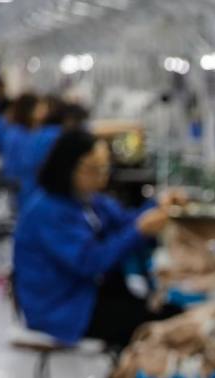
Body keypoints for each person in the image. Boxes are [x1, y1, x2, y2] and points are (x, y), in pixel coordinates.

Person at [12, 130, 183, 348]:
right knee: (159, 325)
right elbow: (91, 262)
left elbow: (124, 221)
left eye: (105, 167)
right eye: (95, 169)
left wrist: (159, 205)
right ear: (69, 168)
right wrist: (139, 231)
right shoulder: (48, 212)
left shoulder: (88, 201)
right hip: (62, 310)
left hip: (84, 295)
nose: (103, 176)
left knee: (167, 310)